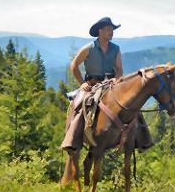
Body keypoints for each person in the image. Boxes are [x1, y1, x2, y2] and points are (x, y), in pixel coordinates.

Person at [61, 17, 153, 154]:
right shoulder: (88, 48)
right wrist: (83, 84)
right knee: (79, 104)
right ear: (100, 31)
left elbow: (119, 68)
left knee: (132, 105)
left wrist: (117, 80)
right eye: (109, 30)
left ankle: (143, 141)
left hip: (111, 84)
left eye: (112, 30)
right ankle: (71, 141)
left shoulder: (116, 49)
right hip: (92, 85)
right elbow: (74, 65)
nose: (112, 33)